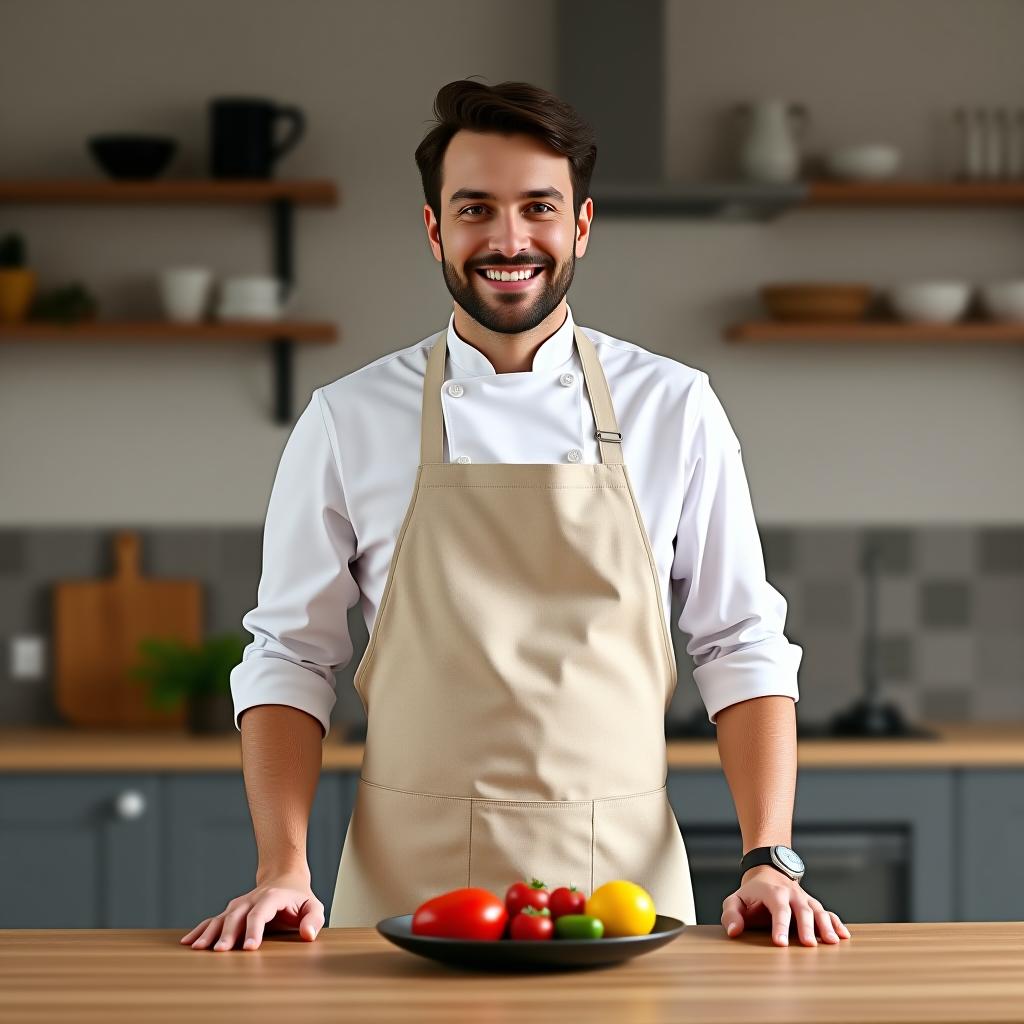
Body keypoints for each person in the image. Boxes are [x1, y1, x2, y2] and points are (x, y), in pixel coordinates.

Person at [181, 79, 851, 953]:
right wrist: (283, 869)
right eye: (475, 209)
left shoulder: (675, 406)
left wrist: (769, 856)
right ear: (435, 231)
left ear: (580, 225)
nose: (508, 239)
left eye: (539, 207)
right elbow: (291, 657)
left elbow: (740, 642)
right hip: (405, 887)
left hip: (623, 887)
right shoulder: (347, 419)